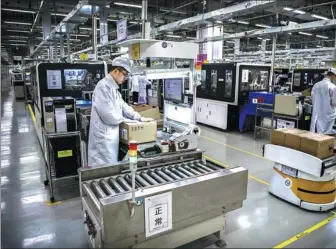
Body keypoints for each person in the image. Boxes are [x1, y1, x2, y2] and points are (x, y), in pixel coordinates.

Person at [88, 57, 153, 167]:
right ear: (115, 71)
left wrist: (139, 118)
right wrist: (128, 121)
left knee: (110, 168)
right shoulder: (103, 87)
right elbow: (109, 117)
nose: (126, 77)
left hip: (110, 139)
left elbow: (124, 107)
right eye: (125, 74)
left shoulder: (113, 89)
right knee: (102, 171)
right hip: (103, 140)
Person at [310, 68, 336, 134]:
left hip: (317, 112)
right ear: (333, 76)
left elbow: (313, 99)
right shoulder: (333, 86)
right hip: (328, 113)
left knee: (316, 132)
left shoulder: (316, 85)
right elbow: (334, 102)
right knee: (326, 133)